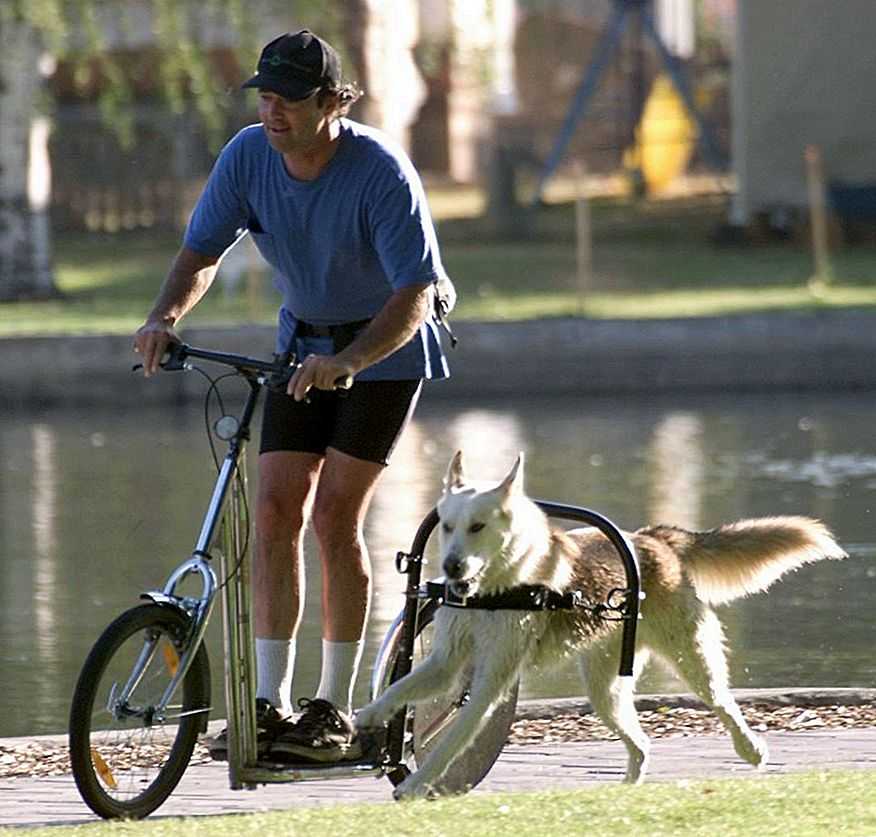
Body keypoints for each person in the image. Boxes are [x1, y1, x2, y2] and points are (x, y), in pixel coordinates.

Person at [133, 30, 454, 764]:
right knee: (275, 508)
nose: (273, 112)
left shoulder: (380, 172)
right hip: (300, 348)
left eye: (290, 99)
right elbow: (202, 250)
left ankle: (335, 707)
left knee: (336, 516)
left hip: (385, 350)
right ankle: (268, 703)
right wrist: (163, 317)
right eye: (266, 97)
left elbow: (416, 292)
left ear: (334, 101)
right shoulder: (248, 156)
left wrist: (348, 361)